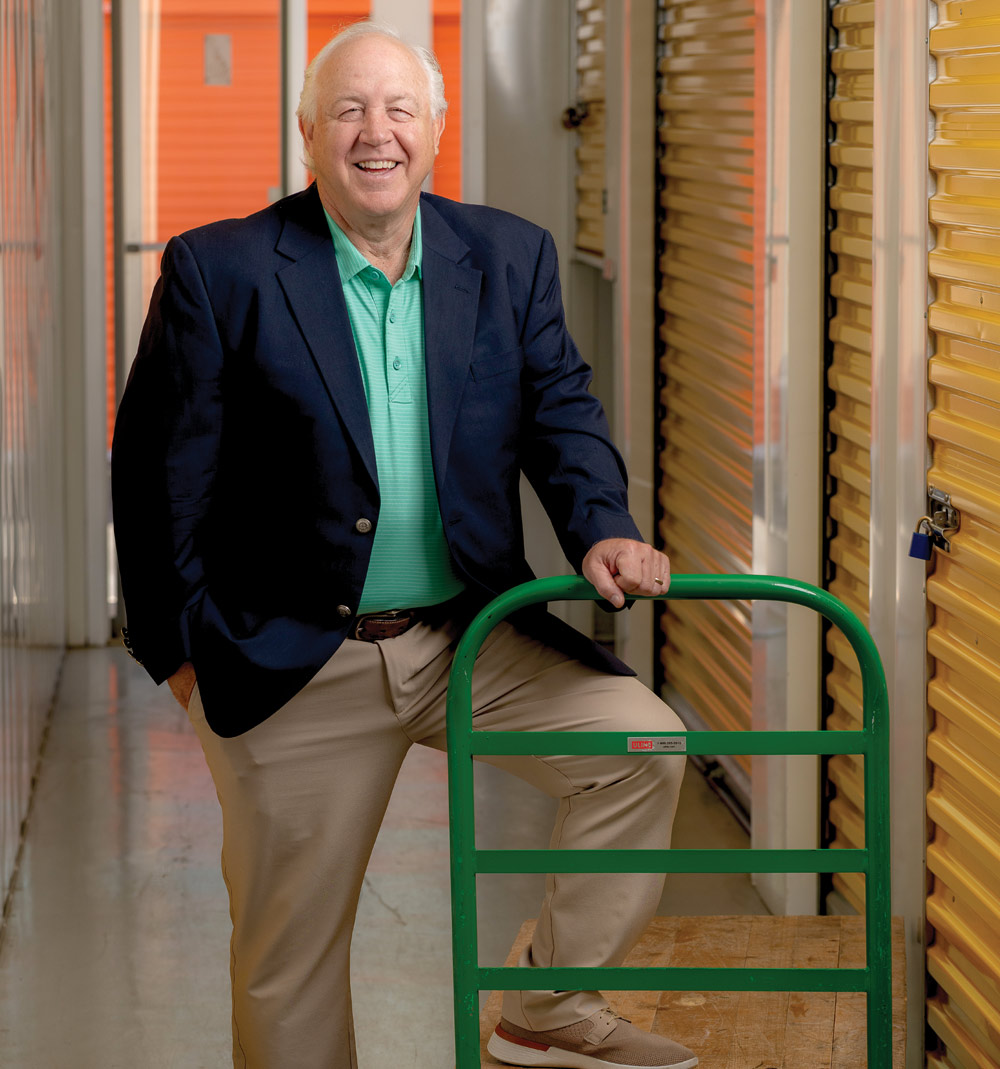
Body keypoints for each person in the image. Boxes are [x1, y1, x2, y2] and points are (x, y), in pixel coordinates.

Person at [112, 20, 697, 1069]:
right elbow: (157, 481)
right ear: (306, 133)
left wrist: (601, 524)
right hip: (292, 657)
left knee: (639, 741)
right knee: (288, 959)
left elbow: (558, 410)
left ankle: (549, 1010)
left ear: (436, 126)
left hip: (466, 637)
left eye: (397, 109)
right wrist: (186, 664)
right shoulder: (224, 269)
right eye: (347, 109)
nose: (374, 133)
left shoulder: (506, 255)